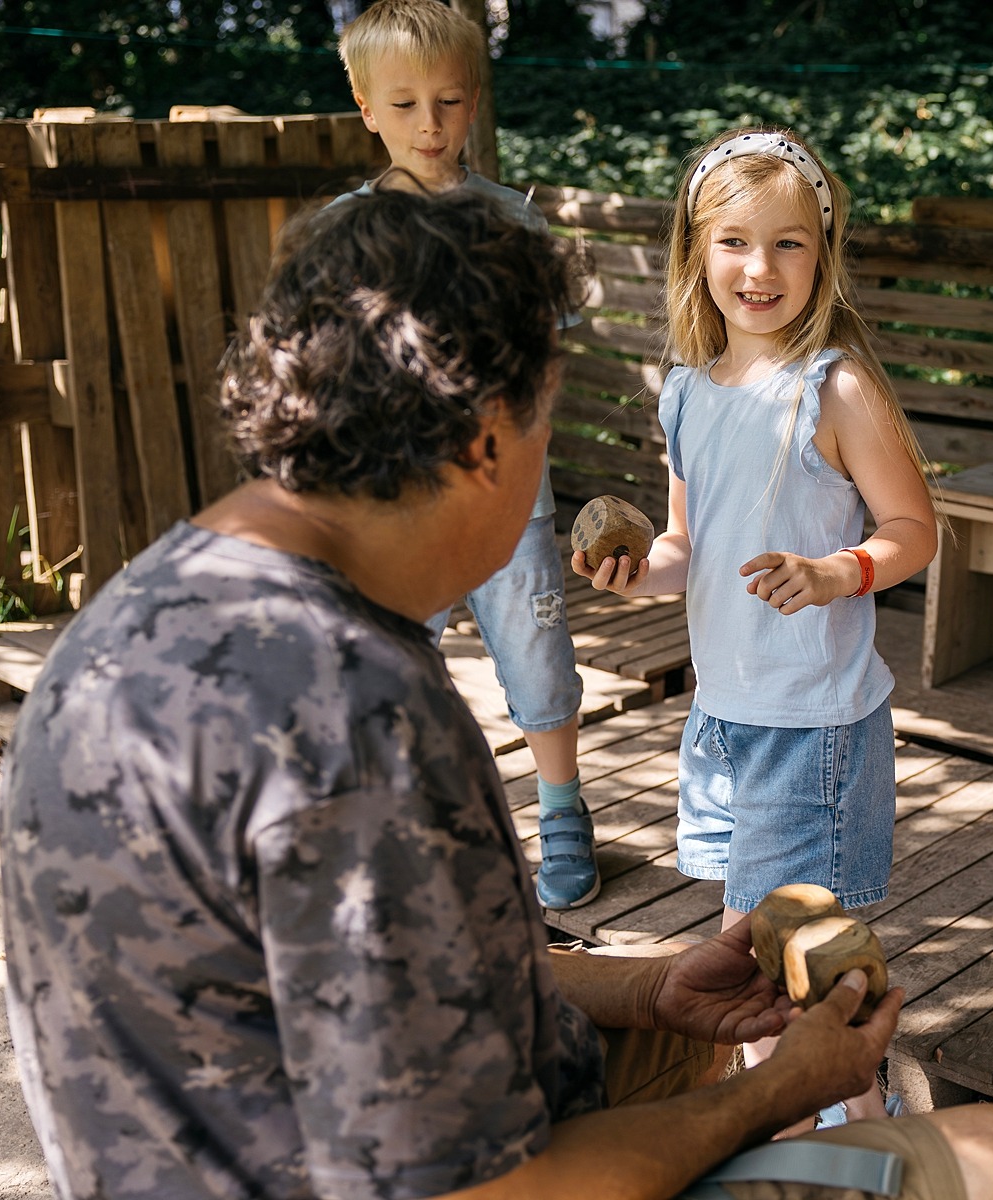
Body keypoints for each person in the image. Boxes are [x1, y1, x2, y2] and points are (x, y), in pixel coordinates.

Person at [0, 187, 993, 1200]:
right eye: (545, 428)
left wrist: (644, 991)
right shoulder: (357, 717)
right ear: (484, 443)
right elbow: (494, 1189)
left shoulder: (145, 608)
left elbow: (381, 987)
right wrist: (773, 1093)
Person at [577, 127, 940, 1127]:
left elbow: (914, 530)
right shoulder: (687, 391)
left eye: (789, 243)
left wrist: (836, 572)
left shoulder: (836, 386)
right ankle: (848, 1118)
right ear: (697, 251)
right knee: (782, 956)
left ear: (823, 253)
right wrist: (629, 571)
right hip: (724, 720)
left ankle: (836, 1127)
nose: (760, 267)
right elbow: (688, 551)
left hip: (812, 726)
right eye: (735, 241)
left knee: (768, 950)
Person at [334, 0, 600, 910]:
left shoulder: (512, 226)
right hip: (400, 502)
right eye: (405, 106)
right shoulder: (349, 233)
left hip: (505, 500)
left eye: (448, 102)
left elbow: (547, 357)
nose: (431, 125)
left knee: (536, 651)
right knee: (394, 660)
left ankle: (562, 812)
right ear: (366, 106)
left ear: (474, 100)